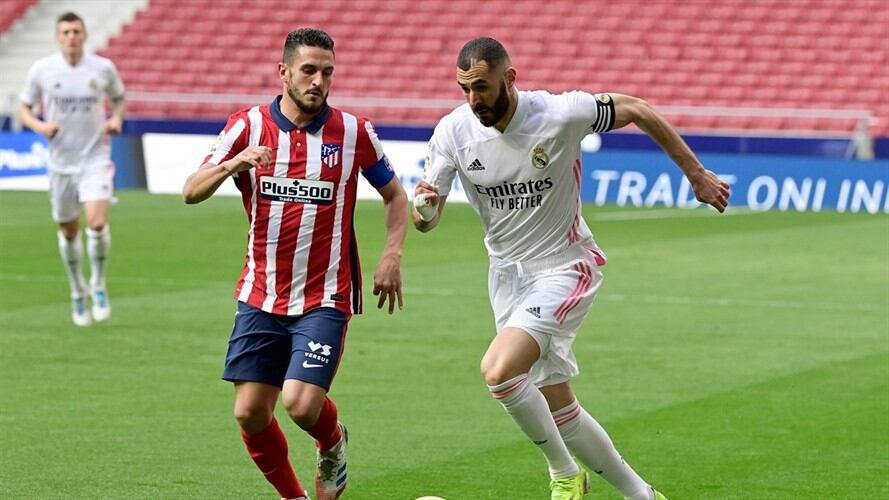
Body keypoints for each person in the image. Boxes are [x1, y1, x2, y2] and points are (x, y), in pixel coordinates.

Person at [412, 37, 730, 500]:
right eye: (464, 88)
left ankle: (564, 472)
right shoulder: (453, 132)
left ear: (510, 78)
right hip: (505, 277)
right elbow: (430, 214)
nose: (473, 99)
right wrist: (425, 209)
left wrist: (696, 174)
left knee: (499, 371)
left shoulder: (560, 113)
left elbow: (638, 108)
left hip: (564, 266)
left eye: (482, 87)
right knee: (560, 405)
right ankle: (643, 496)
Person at [182, 28, 407, 500]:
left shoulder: (352, 132)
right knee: (249, 413)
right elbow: (191, 190)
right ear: (283, 72)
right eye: (308, 70)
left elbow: (394, 196)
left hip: (324, 296)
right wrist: (234, 164)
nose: (318, 81)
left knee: (301, 404)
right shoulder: (247, 127)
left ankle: (332, 439)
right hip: (261, 294)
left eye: (327, 72)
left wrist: (391, 254)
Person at [18, 11, 125, 326]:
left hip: (95, 158)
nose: (71, 37)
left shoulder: (102, 68)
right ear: (57, 36)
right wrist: (39, 125)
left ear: (84, 35)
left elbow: (119, 99)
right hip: (60, 163)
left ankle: (98, 284)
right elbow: (23, 107)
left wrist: (117, 118)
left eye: (76, 31)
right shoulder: (42, 70)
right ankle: (77, 287)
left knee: (96, 223)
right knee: (68, 230)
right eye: (65, 32)